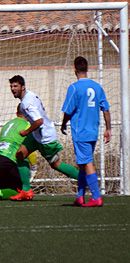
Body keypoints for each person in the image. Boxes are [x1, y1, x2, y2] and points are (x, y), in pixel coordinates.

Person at [9, 75, 79, 200]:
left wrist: (26, 132)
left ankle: (85, 178)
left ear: (23, 87)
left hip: (45, 137)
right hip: (37, 135)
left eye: (15, 86)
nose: (13, 89)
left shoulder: (26, 103)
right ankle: (26, 190)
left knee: (56, 164)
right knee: (20, 154)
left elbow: (39, 121)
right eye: (11, 86)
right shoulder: (29, 95)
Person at [61, 56, 111, 207]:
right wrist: (108, 128)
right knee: (83, 163)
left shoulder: (74, 88)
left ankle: (96, 197)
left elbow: (68, 110)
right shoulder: (97, 87)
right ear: (87, 68)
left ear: (75, 69)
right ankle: (80, 196)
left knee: (87, 162)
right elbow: (106, 109)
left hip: (80, 131)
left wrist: (63, 123)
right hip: (93, 131)